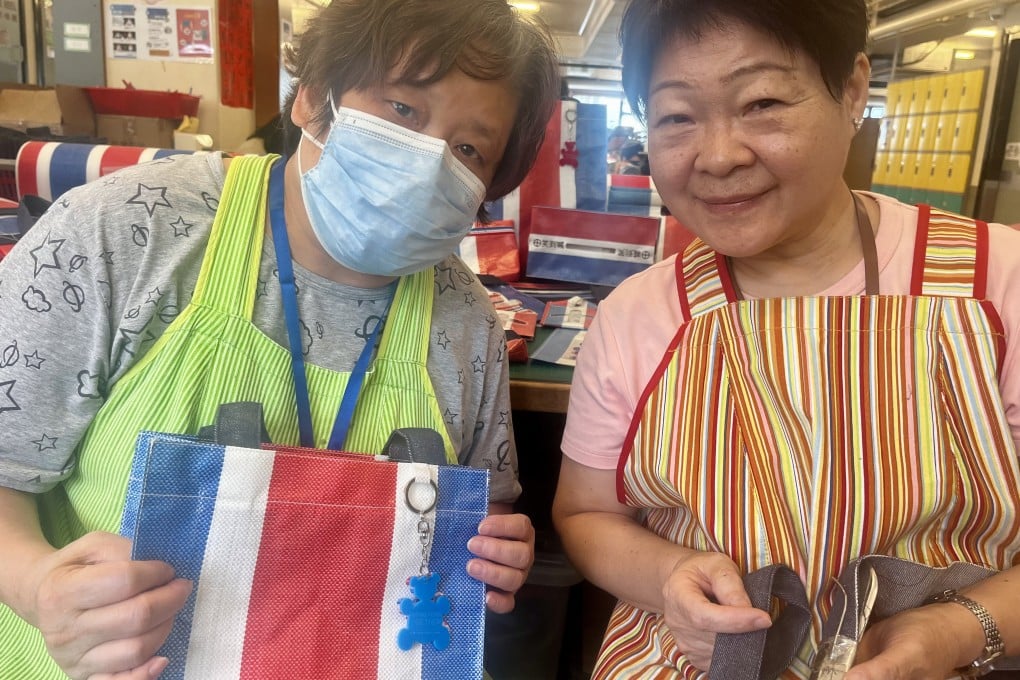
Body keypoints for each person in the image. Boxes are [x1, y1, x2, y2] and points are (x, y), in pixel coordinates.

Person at [0, 1, 560, 678]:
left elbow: (481, 510)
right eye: (404, 111)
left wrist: (495, 554)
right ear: (313, 100)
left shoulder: (467, 321)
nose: (429, 160)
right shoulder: (125, 232)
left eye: (469, 148)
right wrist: (37, 586)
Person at [552, 0, 1020, 678]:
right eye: (677, 116)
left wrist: (955, 630)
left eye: (763, 102)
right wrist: (671, 577)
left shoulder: (996, 280)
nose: (718, 156)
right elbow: (585, 514)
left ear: (852, 89)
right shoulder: (637, 314)